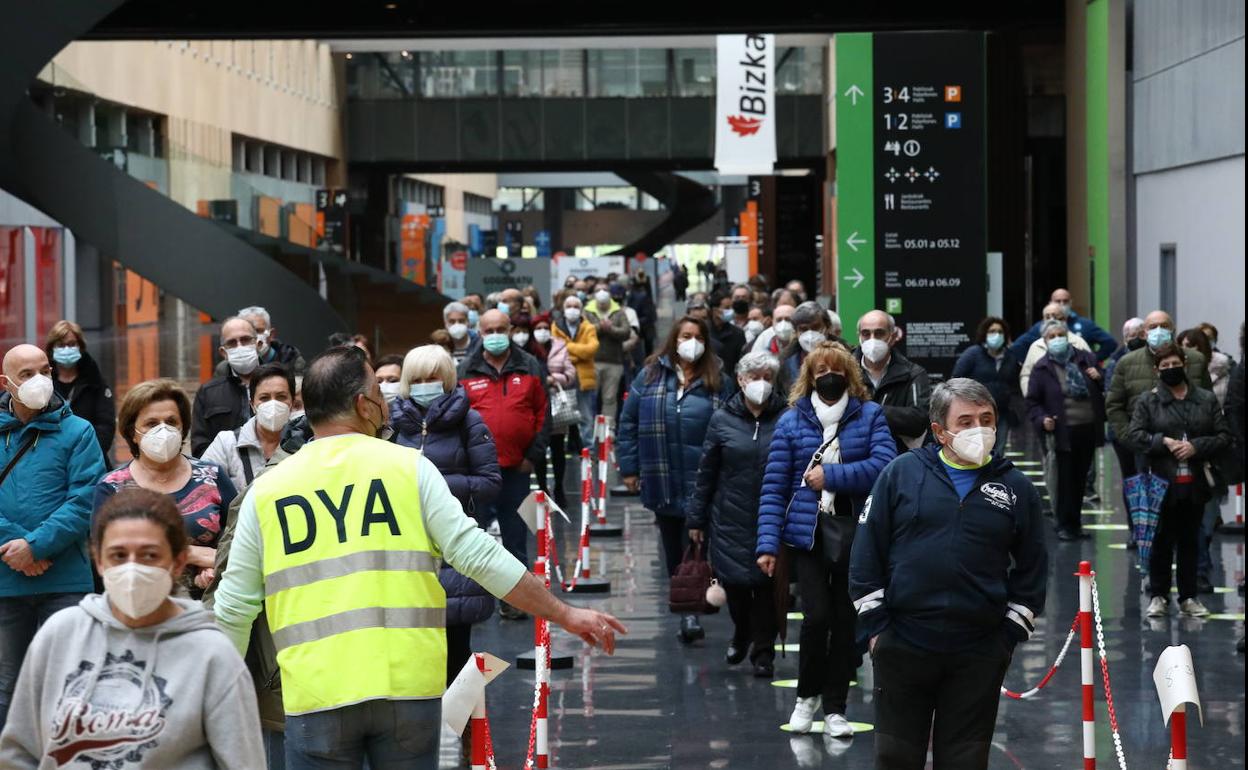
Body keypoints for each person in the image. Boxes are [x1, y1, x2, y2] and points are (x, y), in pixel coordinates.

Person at [212, 346, 626, 769]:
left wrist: (215, 705)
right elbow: (480, 556)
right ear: (363, 404)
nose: (386, 401)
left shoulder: (268, 491)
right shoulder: (410, 468)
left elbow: (234, 607)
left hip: (315, 693)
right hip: (407, 691)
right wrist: (564, 613)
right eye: (378, 389)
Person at [851, 378, 1048, 769]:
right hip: (903, 644)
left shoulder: (1016, 488)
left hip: (978, 651)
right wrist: (878, 630)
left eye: (987, 418)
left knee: (965, 761)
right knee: (895, 757)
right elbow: (865, 555)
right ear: (940, 431)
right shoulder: (900, 474)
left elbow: (1033, 569)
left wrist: (1006, 637)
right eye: (966, 421)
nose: (980, 429)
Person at [0, 488, 265, 768]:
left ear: (177, 563)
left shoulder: (212, 654)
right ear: (100, 562)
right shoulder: (60, 634)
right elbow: (19, 751)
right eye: (118, 555)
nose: (132, 568)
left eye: (149, 555)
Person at [754, 342, 896, 737]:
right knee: (816, 618)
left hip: (857, 537)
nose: (827, 377)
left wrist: (831, 476)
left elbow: (884, 467)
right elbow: (774, 487)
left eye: (835, 370)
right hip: (807, 537)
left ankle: (836, 707)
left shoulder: (869, 416)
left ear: (848, 375)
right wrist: (767, 544)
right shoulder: (791, 421)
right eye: (820, 371)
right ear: (809, 377)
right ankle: (806, 698)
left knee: (847, 620)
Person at [0, 344, 107, 730]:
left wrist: (36, 546)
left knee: (69, 684)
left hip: (65, 580)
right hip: (6, 580)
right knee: (8, 687)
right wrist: (20, 547)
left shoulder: (78, 431)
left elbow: (84, 500)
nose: (39, 381)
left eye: (44, 370)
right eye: (26, 374)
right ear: (5, 383)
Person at [393, 345, 501, 686]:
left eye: (433, 378)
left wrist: (433, 485)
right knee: (410, 649)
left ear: (447, 379)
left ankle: (466, 730)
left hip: (453, 544)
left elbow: (489, 482)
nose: (426, 384)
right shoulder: (392, 422)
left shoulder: (469, 420)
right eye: (418, 379)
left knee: (456, 648)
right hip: (404, 545)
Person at [617, 315, 730, 643]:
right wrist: (630, 468)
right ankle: (687, 608)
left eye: (697, 336)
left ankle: (695, 608)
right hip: (662, 477)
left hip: (705, 479)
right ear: (674, 340)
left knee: (698, 544)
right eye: (685, 336)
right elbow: (629, 423)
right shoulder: (650, 375)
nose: (690, 342)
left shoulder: (718, 379)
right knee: (674, 549)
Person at [687, 352, 788, 678]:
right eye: (753, 376)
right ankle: (741, 632)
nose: (760, 383)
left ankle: (763, 651)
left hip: (772, 515)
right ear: (741, 380)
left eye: (767, 377)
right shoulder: (722, 419)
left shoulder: (787, 417)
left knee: (767, 588)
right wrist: (696, 518)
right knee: (736, 586)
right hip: (729, 515)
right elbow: (707, 471)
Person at [94, 379, 237, 597]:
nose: (163, 430)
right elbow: (108, 559)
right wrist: (192, 554)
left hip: (213, 605)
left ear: (183, 428)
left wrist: (214, 566)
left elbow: (243, 542)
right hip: (139, 605)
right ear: (133, 432)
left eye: (171, 421)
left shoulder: (212, 476)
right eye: (151, 423)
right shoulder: (111, 488)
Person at [1128, 344, 1232, 618]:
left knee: (1191, 541)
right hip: (1160, 482)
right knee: (1161, 541)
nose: (1171, 369)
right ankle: (1159, 595)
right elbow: (1135, 435)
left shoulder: (1206, 399)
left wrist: (1196, 446)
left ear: (1184, 365)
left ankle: (1189, 597)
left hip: (1196, 482)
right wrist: (1163, 442)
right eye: (1164, 366)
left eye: (1175, 364)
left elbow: (1223, 436)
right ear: (1156, 370)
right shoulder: (1147, 401)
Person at [458, 311, 549, 585]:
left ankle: (516, 598)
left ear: (509, 330)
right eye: (489, 330)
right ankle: (477, 593)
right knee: (475, 535)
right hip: (478, 470)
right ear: (480, 333)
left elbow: (544, 414)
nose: (495, 335)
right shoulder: (466, 370)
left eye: (501, 329)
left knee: (515, 536)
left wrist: (532, 456)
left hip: (517, 468)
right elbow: (457, 417)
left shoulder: (530, 365)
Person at [1106, 311, 1212, 536]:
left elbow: (1208, 401)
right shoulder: (1127, 363)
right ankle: (1142, 538)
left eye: (1164, 325)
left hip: (1187, 447)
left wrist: (1200, 442)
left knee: (1189, 512)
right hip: (1146, 445)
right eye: (1153, 327)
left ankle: (1196, 562)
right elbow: (1114, 405)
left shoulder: (1195, 361)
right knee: (1149, 505)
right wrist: (1131, 438)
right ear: (1144, 332)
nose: (1158, 331)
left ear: (1172, 328)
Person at [1025, 321, 1106, 541]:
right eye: (1053, 336)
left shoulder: (1085, 358)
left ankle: (1076, 523)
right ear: (1046, 340)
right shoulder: (1042, 367)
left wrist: (1099, 377)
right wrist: (1042, 419)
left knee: (1081, 479)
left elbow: (1104, 384)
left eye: (1062, 334)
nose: (1058, 338)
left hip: (1087, 428)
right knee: (1064, 479)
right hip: (1061, 431)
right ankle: (1063, 524)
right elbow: (1032, 402)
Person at [202, 363, 297, 493]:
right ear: (252, 405)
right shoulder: (226, 444)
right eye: (264, 398)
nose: (273, 404)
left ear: (291, 402)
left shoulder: (306, 443)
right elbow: (202, 493)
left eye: (281, 397)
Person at [854, 310, 933, 454]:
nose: (872, 340)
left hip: (896, 458)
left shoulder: (913, 373)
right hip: (855, 455)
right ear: (859, 337)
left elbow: (919, 420)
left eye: (879, 333)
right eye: (866, 334)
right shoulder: (846, 371)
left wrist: (867, 411)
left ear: (893, 336)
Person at [45, 320, 116, 462]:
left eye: (71, 344)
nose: (66, 349)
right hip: (50, 460)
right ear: (52, 349)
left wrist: (86, 455)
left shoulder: (95, 382)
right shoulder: (43, 383)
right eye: (60, 345)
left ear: (81, 347)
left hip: (90, 459)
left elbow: (106, 426)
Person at [191, 316, 261, 457]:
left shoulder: (279, 384)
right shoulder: (208, 393)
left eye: (246, 340)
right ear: (223, 352)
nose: (240, 346)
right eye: (232, 343)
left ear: (258, 344)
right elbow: (200, 445)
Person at [952, 317, 1022, 457]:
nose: (996, 335)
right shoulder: (973, 354)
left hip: (1002, 413)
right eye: (992, 331)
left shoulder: (1010, 357)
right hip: (976, 412)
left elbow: (1015, 384)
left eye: (1000, 332)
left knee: (999, 451)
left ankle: (994, 478)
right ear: (985, 333)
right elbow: (956, 379)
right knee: (979, 450)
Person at [532, 313, 576, 511]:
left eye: (544, 327)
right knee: (540, 449)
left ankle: (559, 487)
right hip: (537, 405)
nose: (541, 331)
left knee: (558, 449)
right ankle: (542, 488)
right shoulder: (528, 349)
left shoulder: (560, 346)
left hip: (557, 405)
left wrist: (554, 378)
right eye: (538, 327)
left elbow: (570, 374)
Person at [1009, 288, 1117, 362]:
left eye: (1065, 301)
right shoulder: (1041, 327)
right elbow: (1017, 347)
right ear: (1050, 303)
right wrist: (1034, 364)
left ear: (1071, 302)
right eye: (1058, 301)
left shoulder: (1085, 325)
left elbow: (1110, 343)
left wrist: (1094, 359)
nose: (1062, 304)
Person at [552, 294, 599, 450]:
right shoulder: (556, 326)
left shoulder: (589, 327)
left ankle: (588, 447)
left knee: (585, 414)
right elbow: (556, 351)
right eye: (569, 306)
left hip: (583, 377)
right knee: (562, 413)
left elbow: (591, 350)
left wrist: (568, 347)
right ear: (563, 309)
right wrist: (579, 352)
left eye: (576, 306)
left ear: (581, 310)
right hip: (564, 376)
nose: (572, 310)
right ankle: (570, 445)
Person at [1017, 303, 1094, 395]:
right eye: (1047, 317)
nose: (1051, 320)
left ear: (1064, 320)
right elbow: (1026, 375)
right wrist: (1030, 396)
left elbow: (1092, 371)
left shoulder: (1078, 342)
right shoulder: (1036, 346)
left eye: (1056, 316)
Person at [585, 284, 632, 425]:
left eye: (605, 290)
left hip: (614, 362)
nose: (602, 292)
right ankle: (590, 431)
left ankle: (608, 432)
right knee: (591, 399)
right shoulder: (587, 311)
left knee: (610, 398)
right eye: (598, 290)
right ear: (593, 294)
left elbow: (626, 332)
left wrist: (610, 329)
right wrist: (600, 327)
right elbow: (584, 331)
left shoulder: (618, 311)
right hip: (592, 362)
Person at [217, 306, 306, 377]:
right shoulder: (225, 368)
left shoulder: (291, 361)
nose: (255, 336)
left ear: (271, 335)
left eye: (258, 330)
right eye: (247, 335)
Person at [775, 301, 837, 396]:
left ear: (827, 326)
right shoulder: (784, 362)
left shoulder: (846, 356)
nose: (810, 334)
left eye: (815, 327)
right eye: (804, 329)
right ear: (796, 332)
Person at [628, 275, 659, 356]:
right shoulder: (639, 295)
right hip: (641, 325)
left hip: (643, 326)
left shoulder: (641, 295)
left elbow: (649, 315)